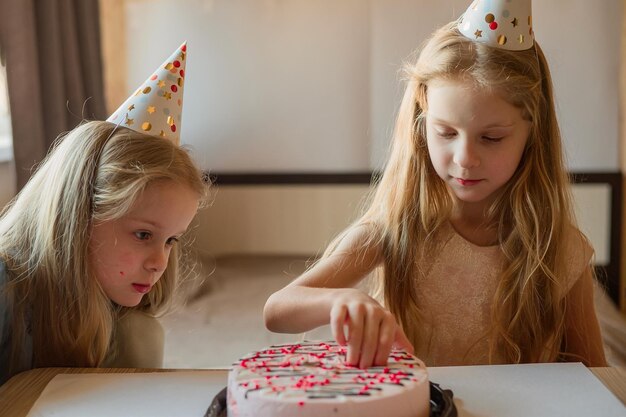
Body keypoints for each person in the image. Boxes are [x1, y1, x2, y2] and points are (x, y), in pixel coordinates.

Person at [264, 0, 607, 369]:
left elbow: (596, 376)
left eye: (491, 138)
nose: (464, 158)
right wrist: (343, 301)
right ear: (422, 123)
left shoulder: (559, 250)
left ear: (532, 134)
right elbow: (277, 310)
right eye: (445, 132)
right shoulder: (395, 230)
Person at [0, 43, 207, 384]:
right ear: (78, 217)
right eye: (143, 235)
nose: (160, 262)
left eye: (171, 240)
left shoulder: (124, 324)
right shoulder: (7, 291)